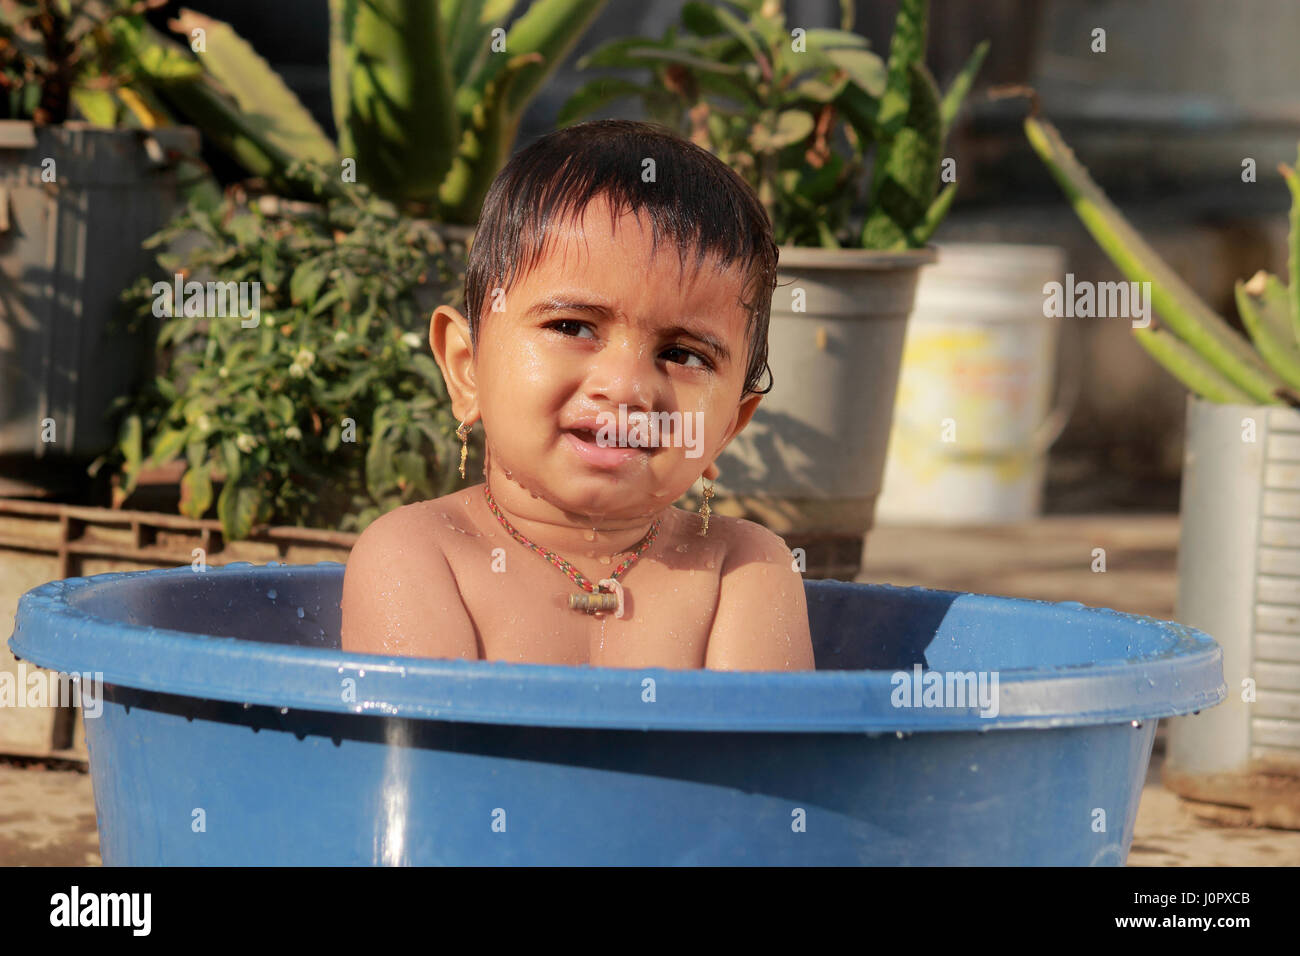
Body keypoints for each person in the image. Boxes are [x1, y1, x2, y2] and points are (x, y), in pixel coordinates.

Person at [341, 119, 815, 670]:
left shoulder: (743, 570)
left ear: (727, 429)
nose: (627, 387)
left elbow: (759, 755)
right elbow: (430, 753)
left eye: (684, 355)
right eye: (572, 327)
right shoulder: (418, 555)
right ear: (467, 369)